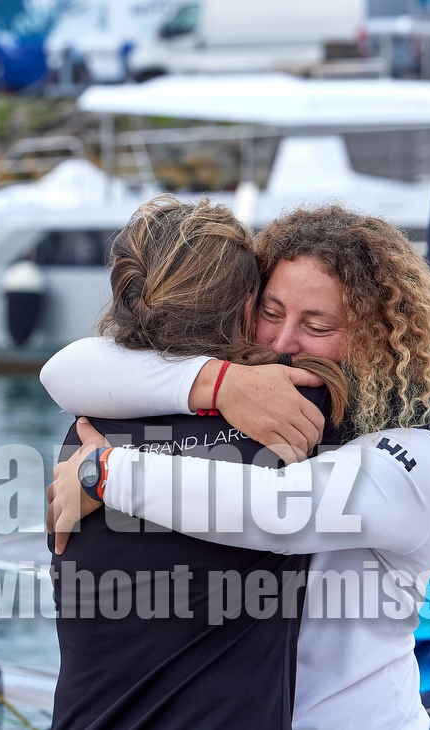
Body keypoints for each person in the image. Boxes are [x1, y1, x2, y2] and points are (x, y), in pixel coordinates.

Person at [47, 203, 430, 730]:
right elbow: (66, 368)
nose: (283, 343)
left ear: (376, 334)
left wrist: (106, 472)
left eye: (317, 324)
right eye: (272, 311)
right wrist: (220, 382)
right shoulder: (245, 404)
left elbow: (280, 509)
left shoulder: (414, 452)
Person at [42, 196, 352, 730]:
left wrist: (215, 382)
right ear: (245, 305)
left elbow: (63, 369)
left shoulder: (88, 431)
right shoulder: (301, 414)